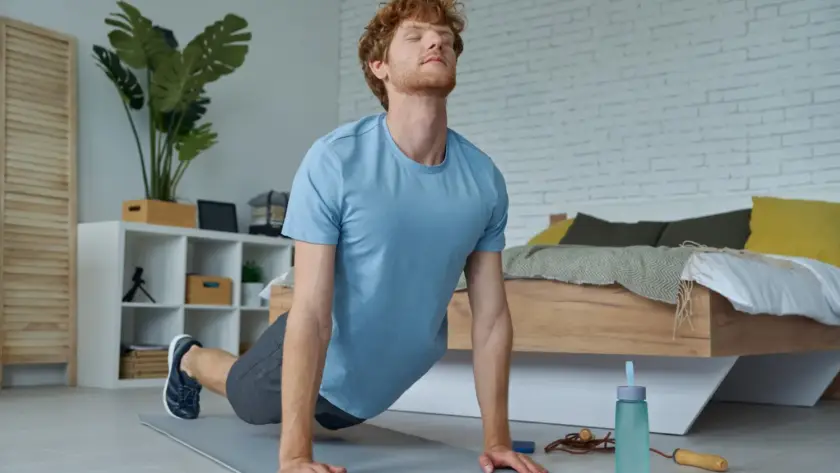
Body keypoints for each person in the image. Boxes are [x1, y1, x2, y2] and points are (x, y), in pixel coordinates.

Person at [162, 1, 547, 472]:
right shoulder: (335, 161)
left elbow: (491, 320)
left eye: (445, 38)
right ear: (379, 66)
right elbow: (310, 313)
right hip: (319, 355)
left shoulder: (483, 180)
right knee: (247, 397)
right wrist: (296, 456)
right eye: (416, 36)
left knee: (331, 418)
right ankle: (189, 358)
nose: (437, 41)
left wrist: (497, 440)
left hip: (378, 388)